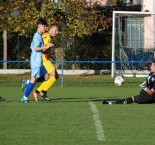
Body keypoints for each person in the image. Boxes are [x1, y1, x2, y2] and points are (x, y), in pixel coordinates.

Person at [22, 24, 59, 102]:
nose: (57, 32)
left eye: (58, 31)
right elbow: (42, 48)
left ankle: (31, 85)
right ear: (51, 30)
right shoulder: (47, 37)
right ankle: (40, 91)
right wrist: (48, 47)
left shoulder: (48, 37)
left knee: (47, 77)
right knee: (54, 76)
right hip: (44, 60)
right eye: (56, 30)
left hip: (45, 59)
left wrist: (50, 55)